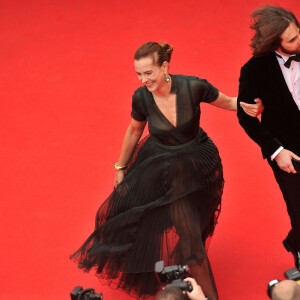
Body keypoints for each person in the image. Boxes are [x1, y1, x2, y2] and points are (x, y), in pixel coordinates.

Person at [71, 42, 263, 300]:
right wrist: (120, 167)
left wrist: (252, 106)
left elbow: (229, 102)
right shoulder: (141, 97)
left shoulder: (194, 86)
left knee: (190, 233)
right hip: (158, 164)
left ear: (164, 67)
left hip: (195, 164)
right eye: (139, 74)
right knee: (150, 221)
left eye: (148, 73)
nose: (143, 79)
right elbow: (134, 131)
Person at [237, 5, 300, 270]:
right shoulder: (254, 70)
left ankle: (295, 241)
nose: (299, 41)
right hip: (287, 150)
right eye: (293, 39)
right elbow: (245, 117)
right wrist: (276, 151)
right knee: (299, 209)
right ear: (275, 43)